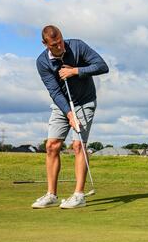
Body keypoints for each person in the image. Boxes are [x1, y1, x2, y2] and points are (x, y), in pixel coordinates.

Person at [32, 25, 109, 209]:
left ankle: (79, 195)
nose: (60, 47)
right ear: (45, 44)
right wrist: (68, 114)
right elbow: (54, 91)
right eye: (54, 45)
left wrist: (75, 71)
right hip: (62, 105)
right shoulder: (42, 62)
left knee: (78, 145)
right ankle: (51, 195)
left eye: (60, 41)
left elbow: (102, 66)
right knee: (52, 146)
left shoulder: (77, 46)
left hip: (85, 101)